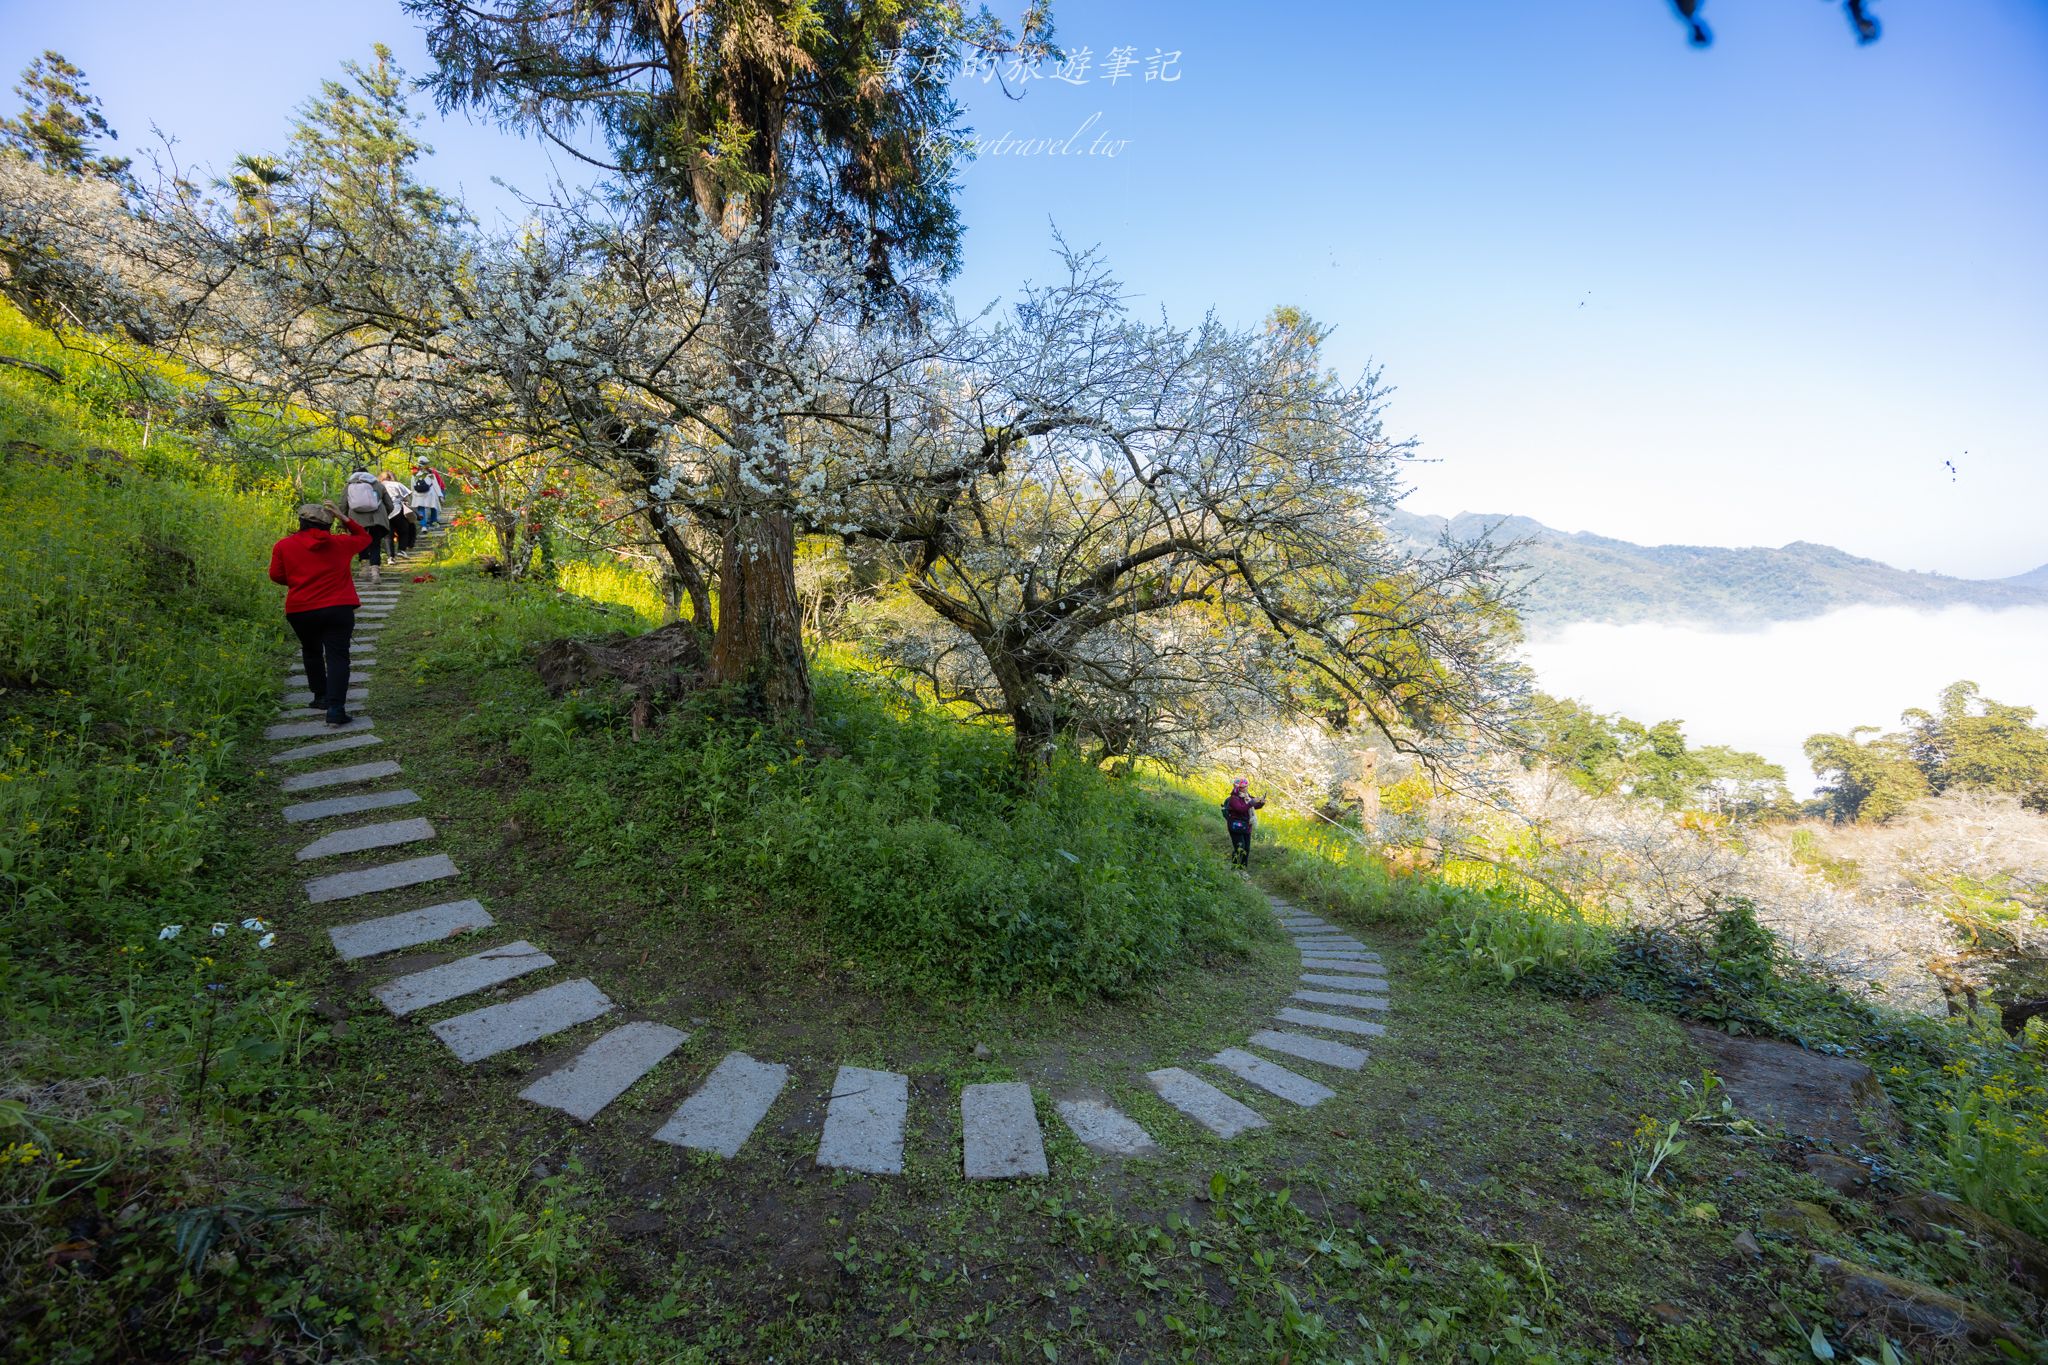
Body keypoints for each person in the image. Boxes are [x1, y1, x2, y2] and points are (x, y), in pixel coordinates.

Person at [269, 501, 371, 727]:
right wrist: (343, 517)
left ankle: (320, 696)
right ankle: (336, 709)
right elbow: (365, 537)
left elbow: (276, 575)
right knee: (337, 657)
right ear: (329, 524)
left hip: (300, 609)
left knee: (311, 650)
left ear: (301, 522)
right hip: (338, 608)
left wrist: (298, 581)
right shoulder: (341, 543)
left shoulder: (283, 546)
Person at [343, 466, 394, 584]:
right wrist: (384, 516)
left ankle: (364, 569)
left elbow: (343, 505)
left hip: (357, 520)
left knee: (361, 543)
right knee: (375, 544)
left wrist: (345, 521)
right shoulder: (378, 485)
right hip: (377, 520)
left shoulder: (349, 486)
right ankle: (375, 572)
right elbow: (390, 505)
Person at [1221, 777, 1266, 871]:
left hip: (1247, 827)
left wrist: (1261, 803)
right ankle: (1234, 869)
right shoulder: (1233, 798)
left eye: (1246, 786)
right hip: (1235, 827)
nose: (1245, 788)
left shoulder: (1247, 796)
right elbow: (1240, 809)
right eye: (1242, 787)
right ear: (1237, 787)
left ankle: (1242, 870)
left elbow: (1255, 805)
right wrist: (1251, 803)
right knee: (1239, 848)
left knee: (1246, 849)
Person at [380, 469, 417, 556]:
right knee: (404, 530)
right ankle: (402, 550)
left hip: (384, 512)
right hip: (397, 510)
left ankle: (390, 557)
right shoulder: (397, 484)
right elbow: (407, 499)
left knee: (388, 535)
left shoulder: (378, 485)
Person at [411, 459, 445, 527]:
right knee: (433, 507)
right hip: (430, 494)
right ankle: (433, 522)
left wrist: (413, 496)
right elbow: (436, 485)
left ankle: (423, 526)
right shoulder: (430, 474)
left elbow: (413, 487)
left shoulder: (414, 475)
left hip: (418, 495)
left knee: (421, 509)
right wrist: (440, 495)